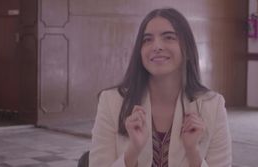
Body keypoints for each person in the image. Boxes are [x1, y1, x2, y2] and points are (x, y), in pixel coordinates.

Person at [89, 8, 231, 167]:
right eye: (147, 40)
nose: (156, 46)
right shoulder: (112, 101)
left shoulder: (212, 105)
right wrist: (133, 150)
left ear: (188, 49)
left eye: (169, 37)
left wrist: (193, 152)